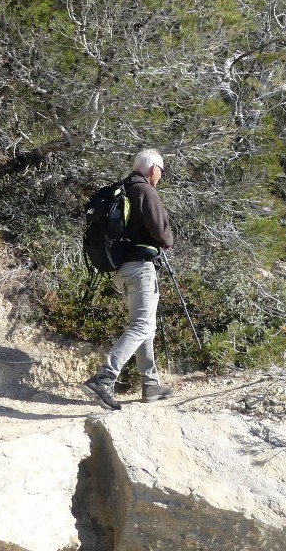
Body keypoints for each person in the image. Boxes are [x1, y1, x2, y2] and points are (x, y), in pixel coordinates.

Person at [83, 149, 174, 411]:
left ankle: (150, 384)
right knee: (142, 326)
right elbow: (163, 234)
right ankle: (103, 378)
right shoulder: (145, 191)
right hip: (139, 269)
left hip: (118, 271)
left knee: (144, 325)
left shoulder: (120, 189)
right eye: (161, 172)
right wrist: (166, 240)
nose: (160, 177)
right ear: (153, 169)